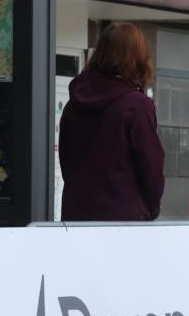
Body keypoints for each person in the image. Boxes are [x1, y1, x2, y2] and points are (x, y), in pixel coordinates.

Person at [59, 23, 164, 221]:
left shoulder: (74, 105)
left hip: (76, 218)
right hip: (122, 222)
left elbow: (66, 162)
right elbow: (151, 169)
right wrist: (151, 208)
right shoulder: (136, 106)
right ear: (138, 59)